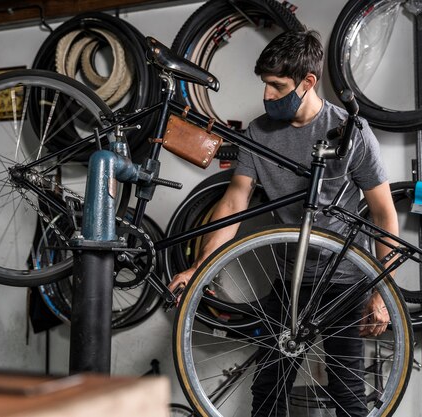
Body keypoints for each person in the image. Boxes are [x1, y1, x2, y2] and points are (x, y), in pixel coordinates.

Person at [169, 29, 399, 417]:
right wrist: (198, 269)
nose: (267, 95)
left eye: (277, 86)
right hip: (292, 279)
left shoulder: (349, 133)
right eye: (265, 84)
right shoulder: (259, 133)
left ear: (308, 82)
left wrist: (382, 294)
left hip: (343, 281)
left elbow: (383, 213)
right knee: (268, 386)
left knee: (347, 394)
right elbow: (233, 202)